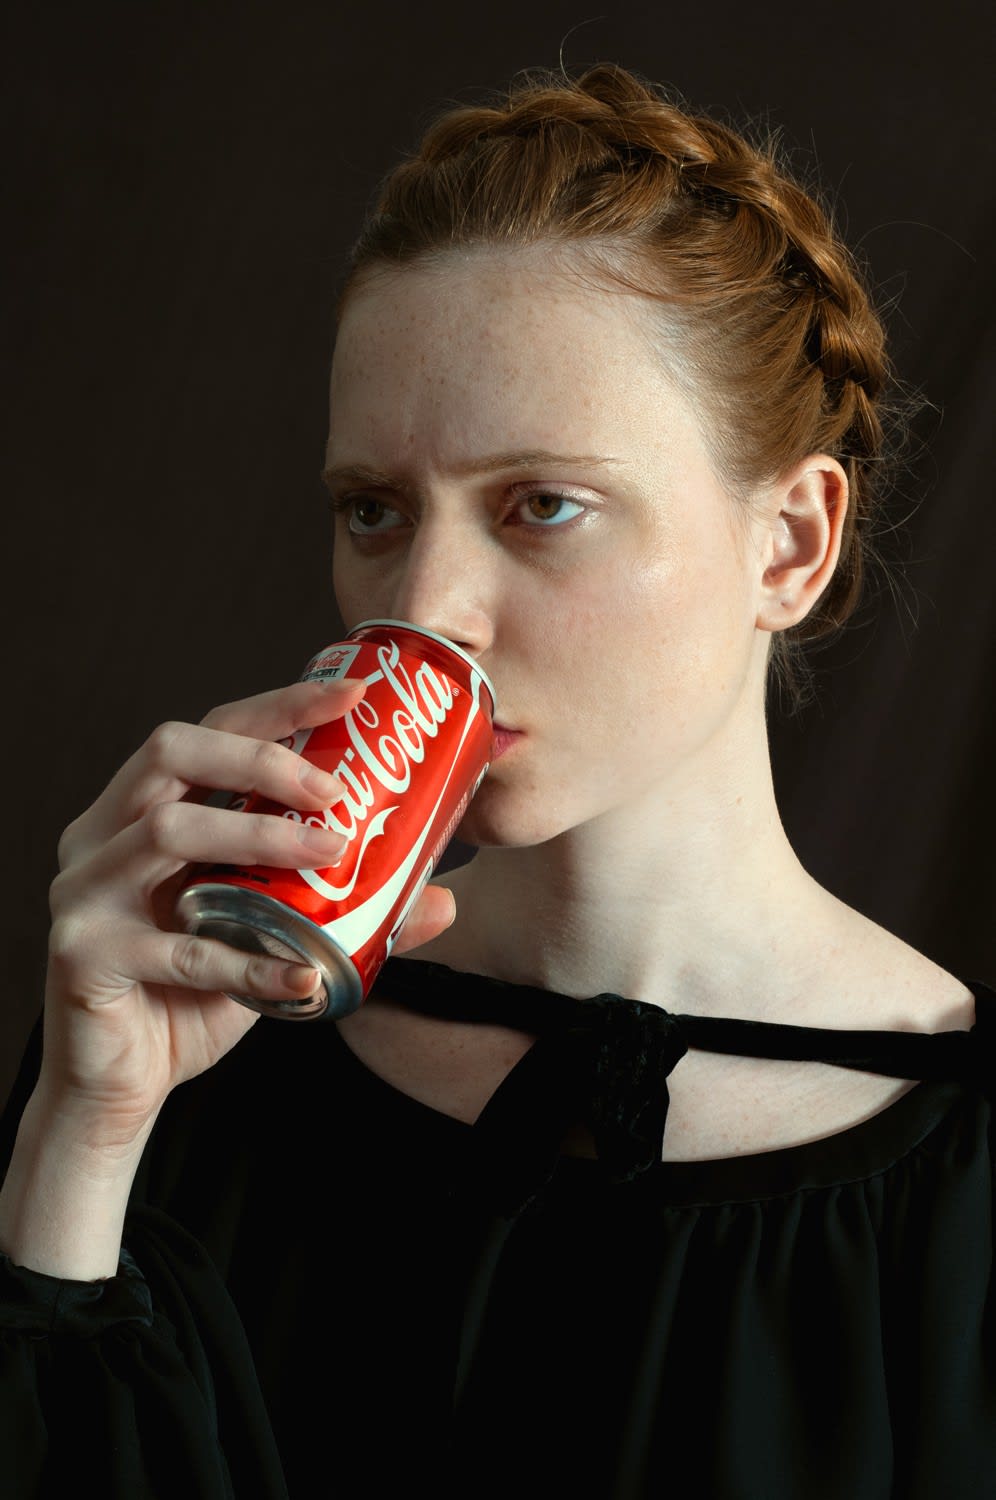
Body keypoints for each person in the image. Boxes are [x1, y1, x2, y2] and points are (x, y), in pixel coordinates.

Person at [1, 61, 992, 1500]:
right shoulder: (199, 1049)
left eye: (544, 504)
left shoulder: (962, 1183)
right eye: (374, 511)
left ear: (789, 545)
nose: (425, 601)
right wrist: (76, 1153)